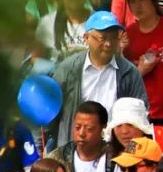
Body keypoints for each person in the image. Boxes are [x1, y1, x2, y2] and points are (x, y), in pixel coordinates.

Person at [53, 11, 147, 148]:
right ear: (86, 38)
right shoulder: (67, 70)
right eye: (102, 38)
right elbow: (52, 111)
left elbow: (140, 115)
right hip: (76, 148)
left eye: (114, 38)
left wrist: (131, 154)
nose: (108, 44)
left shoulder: (129, 72)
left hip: (115, 149)